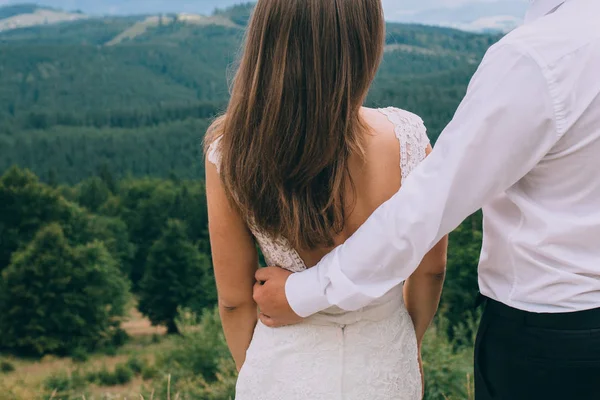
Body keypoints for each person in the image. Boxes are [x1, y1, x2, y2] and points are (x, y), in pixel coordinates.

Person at [253, 0, 600, 399]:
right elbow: (430, 263)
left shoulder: (541, 57)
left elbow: (426, 208)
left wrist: (302, 293)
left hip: (555, 342)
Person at [205, 0, 447, 398]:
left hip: (283, 367)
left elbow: (234, 301)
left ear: (268, 42)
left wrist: (255, 370)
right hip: (384, 362)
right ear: (364, 43)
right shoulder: (407, 138)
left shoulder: (231, 150)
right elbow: (430, 269)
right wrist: (408, 343)